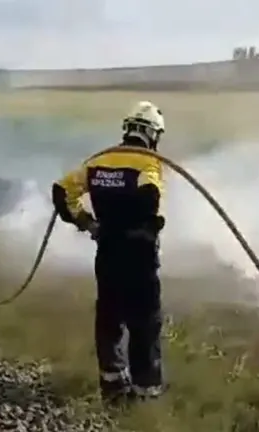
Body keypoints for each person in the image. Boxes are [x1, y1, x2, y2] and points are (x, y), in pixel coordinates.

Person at [51, 101, 167, 404]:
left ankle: (113, 385)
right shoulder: (148, 162)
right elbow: (149, 196)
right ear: (152, 134)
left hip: (108, 252)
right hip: (139, 256)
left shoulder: (99, 162)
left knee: (110, 315)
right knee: (145, 321)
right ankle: (146, 393)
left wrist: (89, 224)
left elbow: (62, 192)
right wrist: (148, 223)